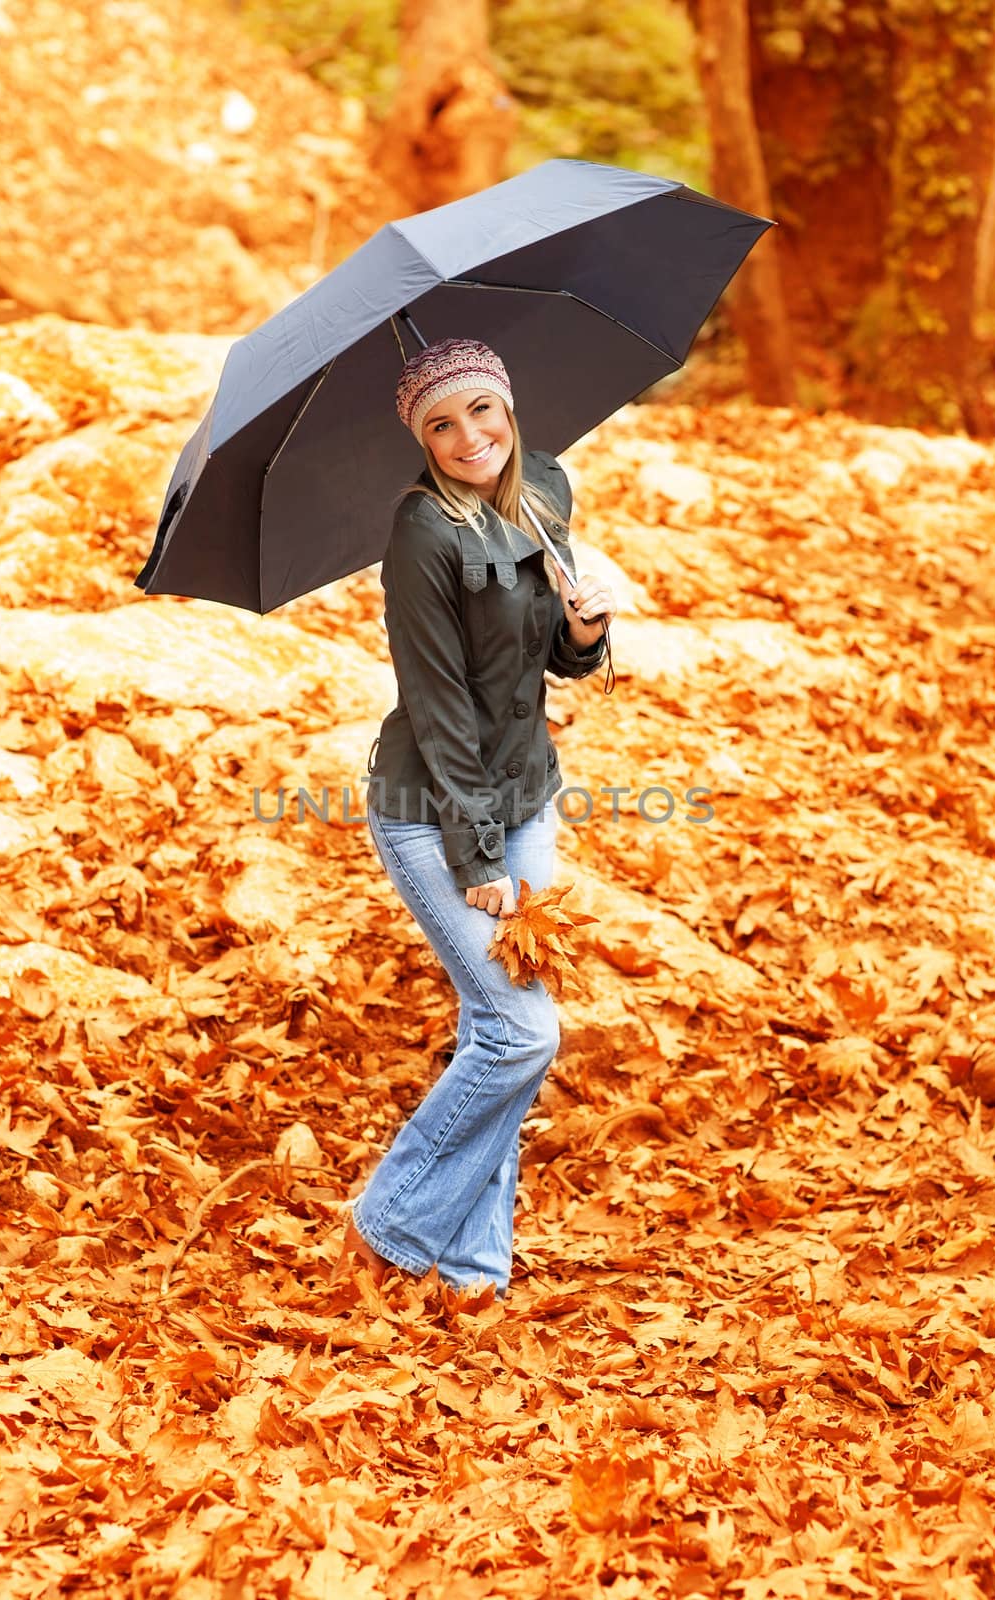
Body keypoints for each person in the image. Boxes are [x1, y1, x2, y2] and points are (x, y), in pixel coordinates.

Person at [335, 336, 616, 1297]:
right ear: (421, 439)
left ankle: (470, 1270)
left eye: (480, 412)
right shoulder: (421, 534)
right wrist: (477, 852)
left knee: (498, 1027)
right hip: (436, 811)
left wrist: (587, 628)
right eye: (440, 425)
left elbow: (553, 665)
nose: (467, 438)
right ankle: (390, 1218)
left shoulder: (546, 489)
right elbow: (440, 702)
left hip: (528, 794)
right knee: (520, 1031)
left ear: (507, 406)